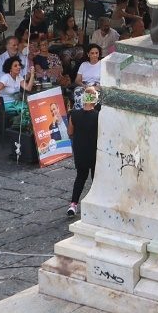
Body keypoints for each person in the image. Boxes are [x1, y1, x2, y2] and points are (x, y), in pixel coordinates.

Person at [67, 86, 100, 217]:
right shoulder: (98, 116)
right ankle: (95, 203)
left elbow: (70, 132)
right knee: (95, 178)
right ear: (95, 100)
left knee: (80, 177)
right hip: (94, 151)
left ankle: (73, 204)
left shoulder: (74, 114)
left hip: (80, 151)